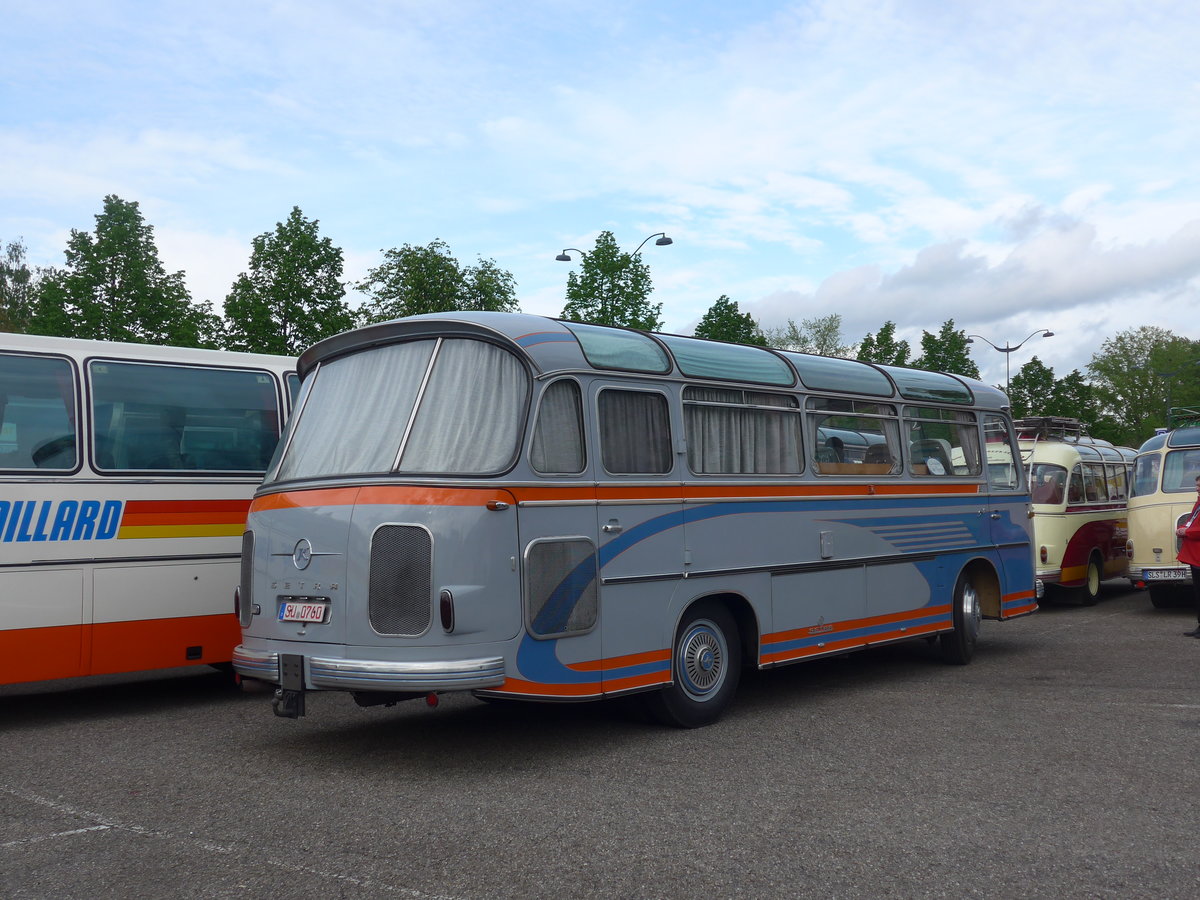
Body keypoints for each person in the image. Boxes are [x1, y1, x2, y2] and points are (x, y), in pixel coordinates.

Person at [1176, 474, 1200, 637]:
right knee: (1197, 592)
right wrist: (1182, 528)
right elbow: (1192, 521)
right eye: (1196, 485)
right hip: (1194, 554)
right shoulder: (1198, 503)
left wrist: (1187, 532)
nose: (1197, 488)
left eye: (1199, 485)